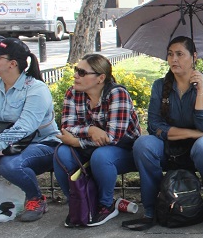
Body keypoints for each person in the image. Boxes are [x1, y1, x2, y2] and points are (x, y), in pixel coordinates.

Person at [129, 36, 203, 230]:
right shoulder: (159, 86)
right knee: (143, 144)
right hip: (169, 148)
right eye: (170, 54)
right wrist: (194, 134)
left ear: (194, 57)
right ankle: (153, 206)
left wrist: (201, 92)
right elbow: (155, 126)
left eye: (180, 54)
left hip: (201, 151)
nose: (174, 59)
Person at [54, 54, 141, 227]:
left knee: (101, 156)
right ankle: (78, 202)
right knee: (61, 153)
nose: (76, 76)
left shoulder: (117, 94)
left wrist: (78, 142)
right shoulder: (73, 93)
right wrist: (90, 130)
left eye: (81, 72)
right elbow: (66, 126)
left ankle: (106, 204)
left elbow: (112, 137)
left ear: (100, 78)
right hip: (91, 148)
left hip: (123, 150)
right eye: (75, 70)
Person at [0, 38, 59, 222]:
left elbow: (23, 128)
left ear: (12, 64)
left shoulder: (36, 89)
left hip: (43, 144)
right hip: (6, 145)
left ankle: (36, 199)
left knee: (9, 165)